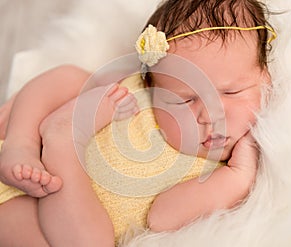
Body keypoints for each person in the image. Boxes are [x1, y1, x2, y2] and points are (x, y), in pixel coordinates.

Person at [0, 0, 276, 246]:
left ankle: (62, 144)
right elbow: (57, 82)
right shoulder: (135, 94)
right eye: (184, 99)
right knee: (70, 77)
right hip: (23, 166)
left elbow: (162, 216)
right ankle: (20, 143)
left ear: (266, 78)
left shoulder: (217, 168)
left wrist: (239, 175)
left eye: (231, 92)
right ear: (152, 85)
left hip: (31, 215)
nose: (209, 114)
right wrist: (22, 135)